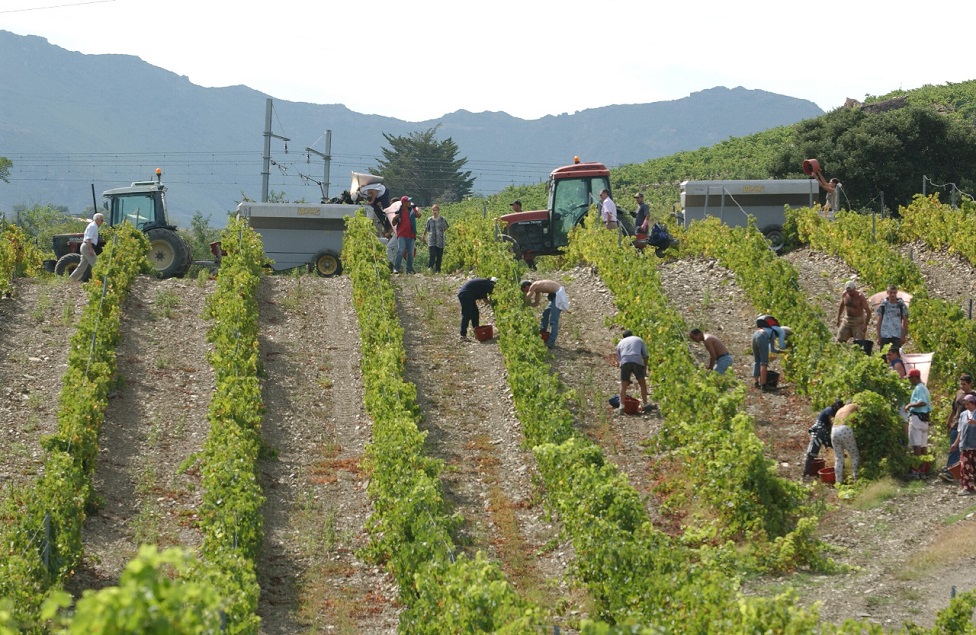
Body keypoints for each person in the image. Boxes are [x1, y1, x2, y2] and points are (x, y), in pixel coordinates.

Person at [939, 374, 974, 482]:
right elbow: (954, 408)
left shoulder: (974, 395)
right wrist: (949, 420)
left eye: (964, 384)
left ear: (970, 384)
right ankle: (950, 472)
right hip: (956, 424)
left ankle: (966, 473)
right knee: (954, 447)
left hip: (970, 426)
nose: (962, 386)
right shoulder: (959, 393)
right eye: (961, 384)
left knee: (968, 450)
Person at [520, 279, 569, 349]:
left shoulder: (534, 285)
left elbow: (529, 294)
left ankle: (551, 342)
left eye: (524, 290)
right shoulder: (537, 290)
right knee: (546, 314)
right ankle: (542, 333)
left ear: (526, 286)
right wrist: (528, 304)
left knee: (553, 320)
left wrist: (521, 302)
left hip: (558, 295)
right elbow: (536, 303)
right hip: (554, 296)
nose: (525, 292)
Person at [804, 399, 844, 477]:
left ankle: (841, 469)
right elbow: (833, 423)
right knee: (811, 453)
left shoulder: (835, 412)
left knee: (837, 449)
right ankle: (805, 474)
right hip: (818, 432)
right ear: (837, 406)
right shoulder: (829, 410)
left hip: (825, 433)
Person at [615, 330, 650, 413]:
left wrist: (627, 378)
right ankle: (645, 404)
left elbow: (620, 359)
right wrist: (644, 368)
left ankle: (621, 406)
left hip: (625, 361)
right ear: (632, 334)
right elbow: (645, 356)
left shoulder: (620, 343)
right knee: (642, 383)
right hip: (637, 360)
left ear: (623, 337)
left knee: (623, 385)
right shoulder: (638, 339)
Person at [905, 369, 932, 474]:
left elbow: (922, 402)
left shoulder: (919, 388)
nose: (909, 380)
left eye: (910, 378)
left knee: (916, 445)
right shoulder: (924, 387)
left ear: (915, 377)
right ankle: (924, 469)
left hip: (917, 418)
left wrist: (909, 405)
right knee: (923, 446)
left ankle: (916, 469)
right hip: (924, 419)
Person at [949, 394, 976, 495]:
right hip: (965, 445)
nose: (967, 406)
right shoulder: (963, 415)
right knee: (965, 467)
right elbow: (960, 430)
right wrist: (955, 443)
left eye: (969, 404)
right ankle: (967, 487)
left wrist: (974, 422)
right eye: (965, 404)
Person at [831, 402, 861, 483]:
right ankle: (857, 479)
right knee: (855, 456)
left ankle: (838, 482)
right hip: (844, 429)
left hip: (834, 431)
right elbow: (860, 417)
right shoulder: (854, 405)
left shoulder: (840, 410)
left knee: (839, 458)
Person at [69, 212, 104, 282]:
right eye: (102, 220)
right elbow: (88, 239)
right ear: (97, 219)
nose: (102, 222)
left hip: (85, 246)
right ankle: (102, 280)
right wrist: (90, 249)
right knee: (96, 264)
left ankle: (70, 280)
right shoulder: (93, 226)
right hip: (87, 246)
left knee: (82, 267)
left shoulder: (93, 226)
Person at [876, 285, 909, 352]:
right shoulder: (883, 305)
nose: (892, 295)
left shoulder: (901, 305)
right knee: (884, 355)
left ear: (896, 292)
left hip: (896, 335)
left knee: (895, 354)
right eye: (891, 292)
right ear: (887, 293)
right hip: (884, 335)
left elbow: (905, 321)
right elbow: (879, 321)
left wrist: (903, 336)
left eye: (894, 292)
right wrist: (879, 336)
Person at [392, 196, 420, 274]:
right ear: (404, 203)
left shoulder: (412, 209)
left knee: (410, 253)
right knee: (401, 250)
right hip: (402, 234)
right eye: (408, 201)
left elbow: (418, 215)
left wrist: (418, 214)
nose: (410, 203)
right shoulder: (399, 212)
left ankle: (408, 270)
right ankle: (396, 268)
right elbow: (394, 223)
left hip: (411, 234)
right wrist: (395, 218)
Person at [422, 204, 449, 273]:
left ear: (438, 211)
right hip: (432, 240)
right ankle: (430, 268)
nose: (434, 212)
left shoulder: (442, 219)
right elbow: (426, 228)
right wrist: (423, 235)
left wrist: (440, 233)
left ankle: (438, 270)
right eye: (433, 210)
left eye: (436, 210)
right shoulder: (429, 219)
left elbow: (446, 227)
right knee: (432, 254)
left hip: (440, 240)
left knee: (439, 256)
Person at [752, 319, 772, 391]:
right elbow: (773, 348)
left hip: (755, 335)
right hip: (762, 336)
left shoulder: (759, 330)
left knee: (757, 360)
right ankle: (763, 385)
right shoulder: (777, 331)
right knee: (764, 362)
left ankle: (756, 382)